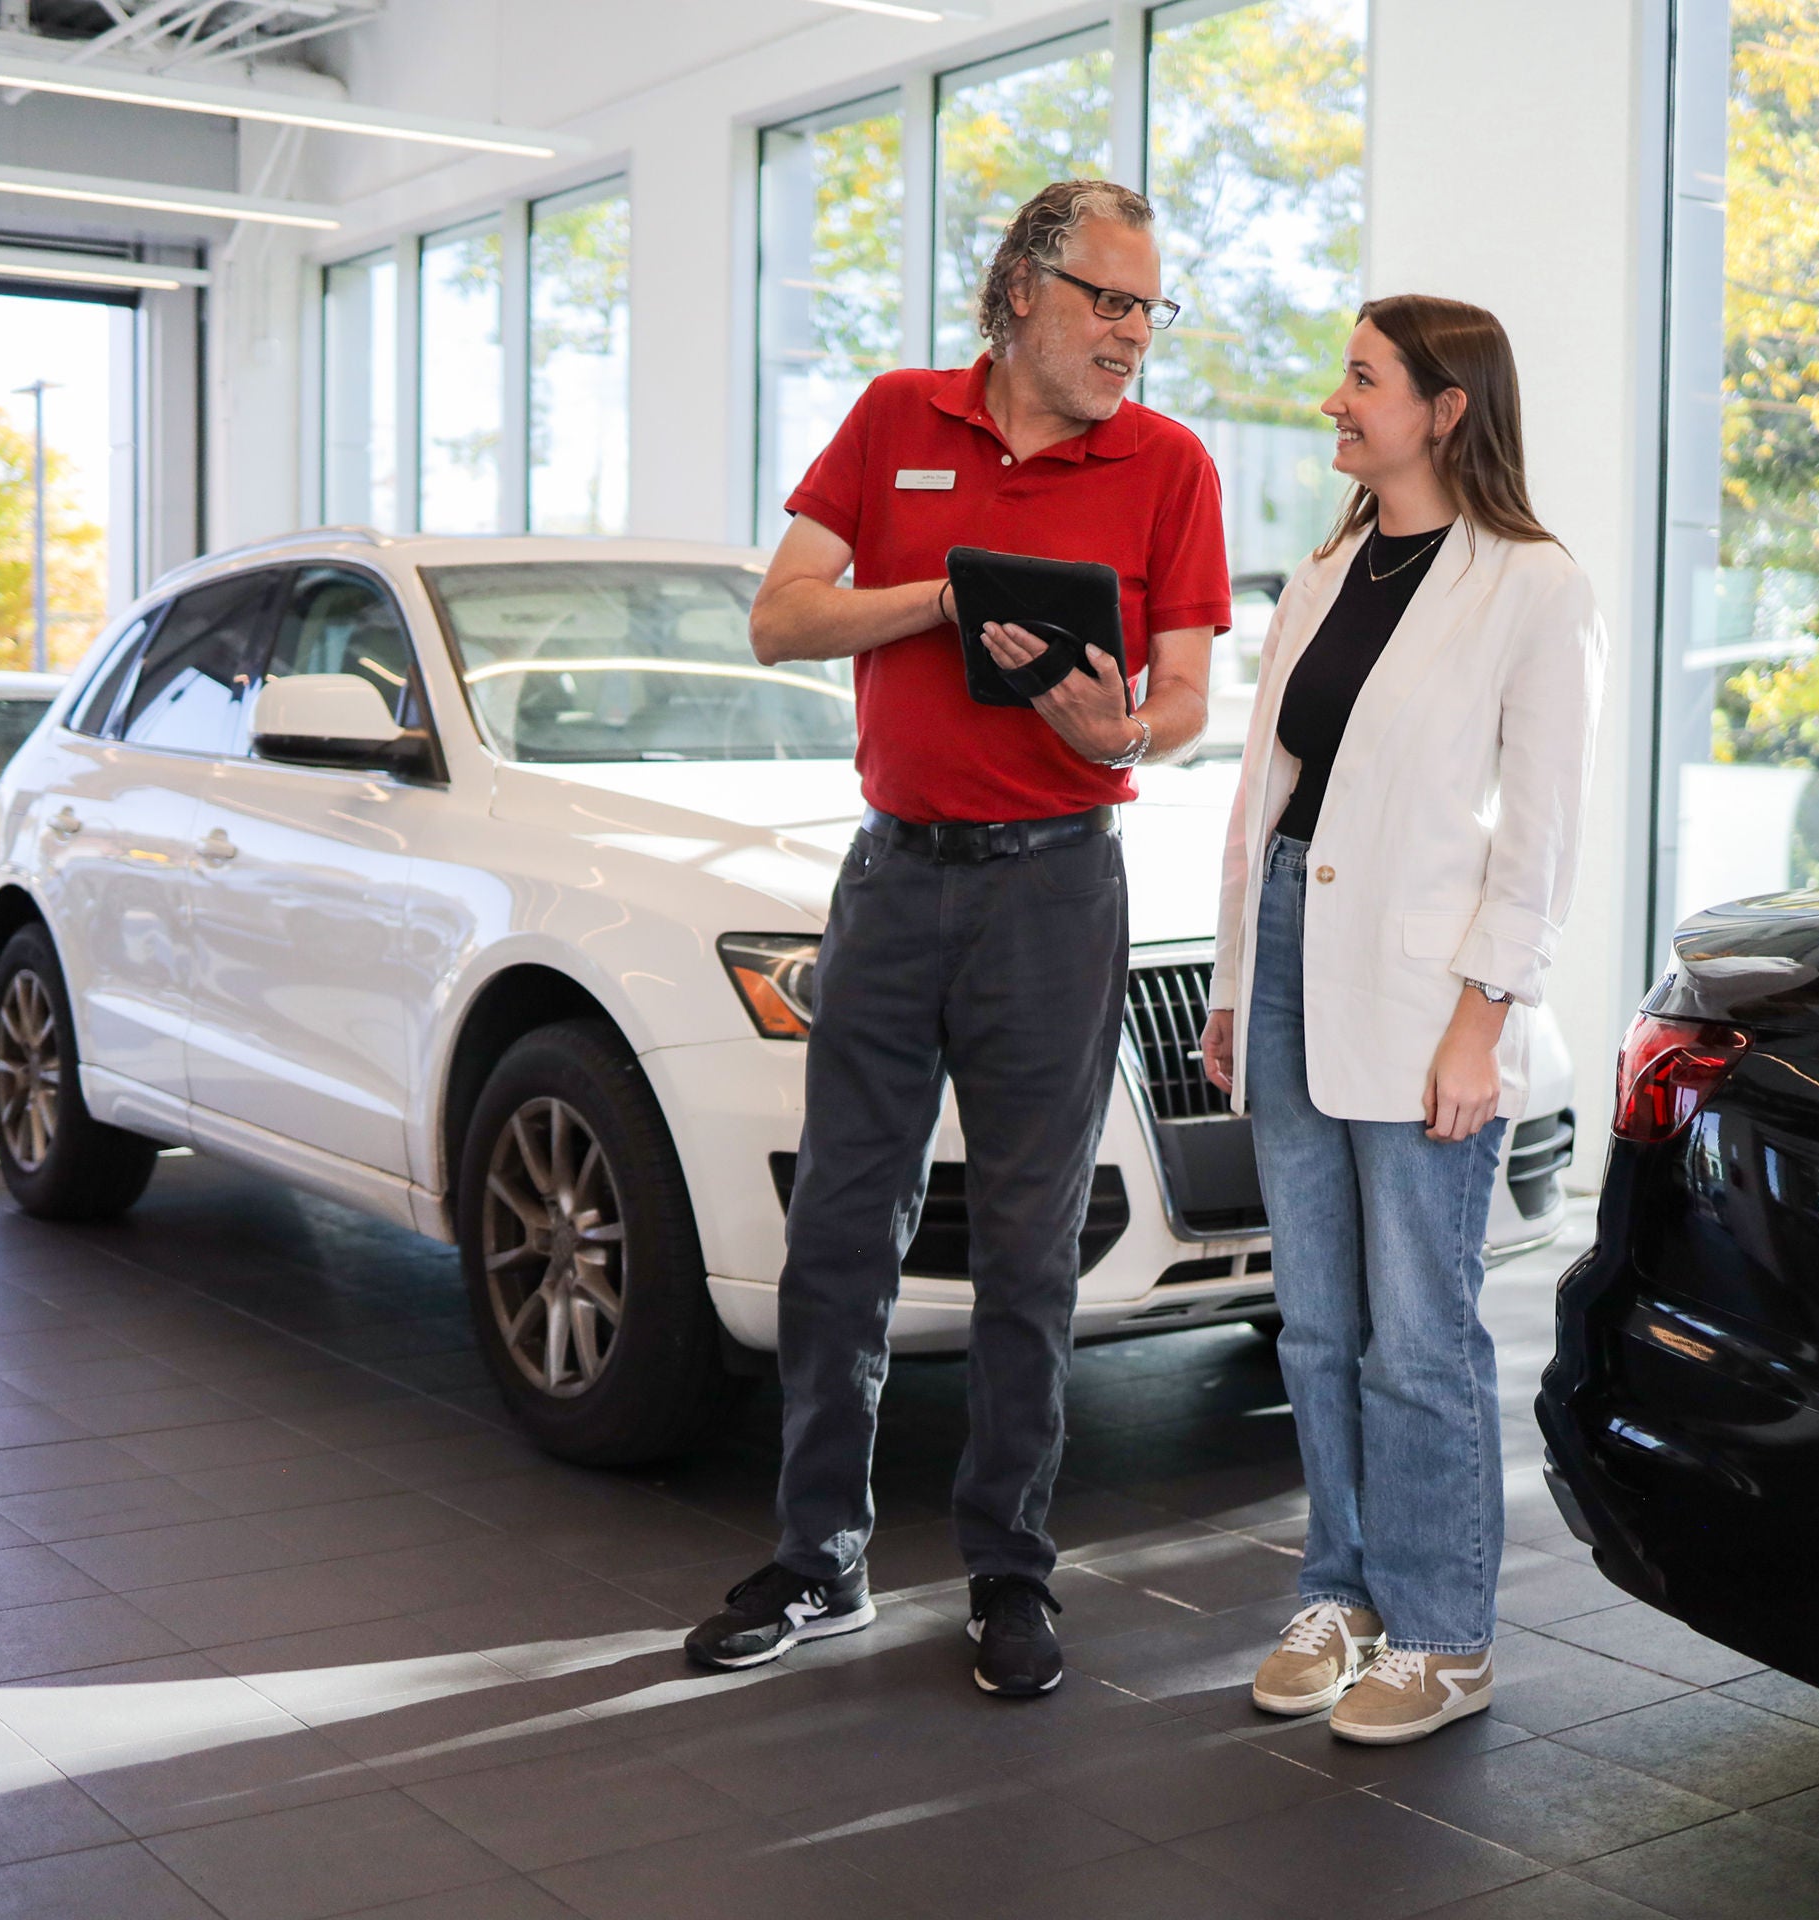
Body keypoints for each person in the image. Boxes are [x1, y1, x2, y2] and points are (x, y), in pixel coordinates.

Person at [685, 180, 1231, 1696]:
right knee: (839, 1226)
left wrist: (1121, 729)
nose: (1132, 334)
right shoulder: (892, 418)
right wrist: (943, 598)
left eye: (1149, 308)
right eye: (1108, 299)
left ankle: (1010, 1569)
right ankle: (821, 1559)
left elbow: (1186, 696)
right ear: (1021, 292)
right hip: (893, 878)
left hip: (1057, 888)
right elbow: (781, 619)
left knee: (1028, 1245)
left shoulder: (1170, 463)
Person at [1199, 294, 1604, 1744]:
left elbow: (1539, 836)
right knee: (1315, 1324)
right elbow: (1268, 799)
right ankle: (1343, 1594)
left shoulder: (1533, 585)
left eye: (1361, 379)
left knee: (1418, 1335)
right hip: (1293, 953)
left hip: (1425, 987)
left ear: (1444, 409)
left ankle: (1443, 1632)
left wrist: (1482, 1023)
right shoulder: (1327, 570)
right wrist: (1236, 985)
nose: (1334, 400)